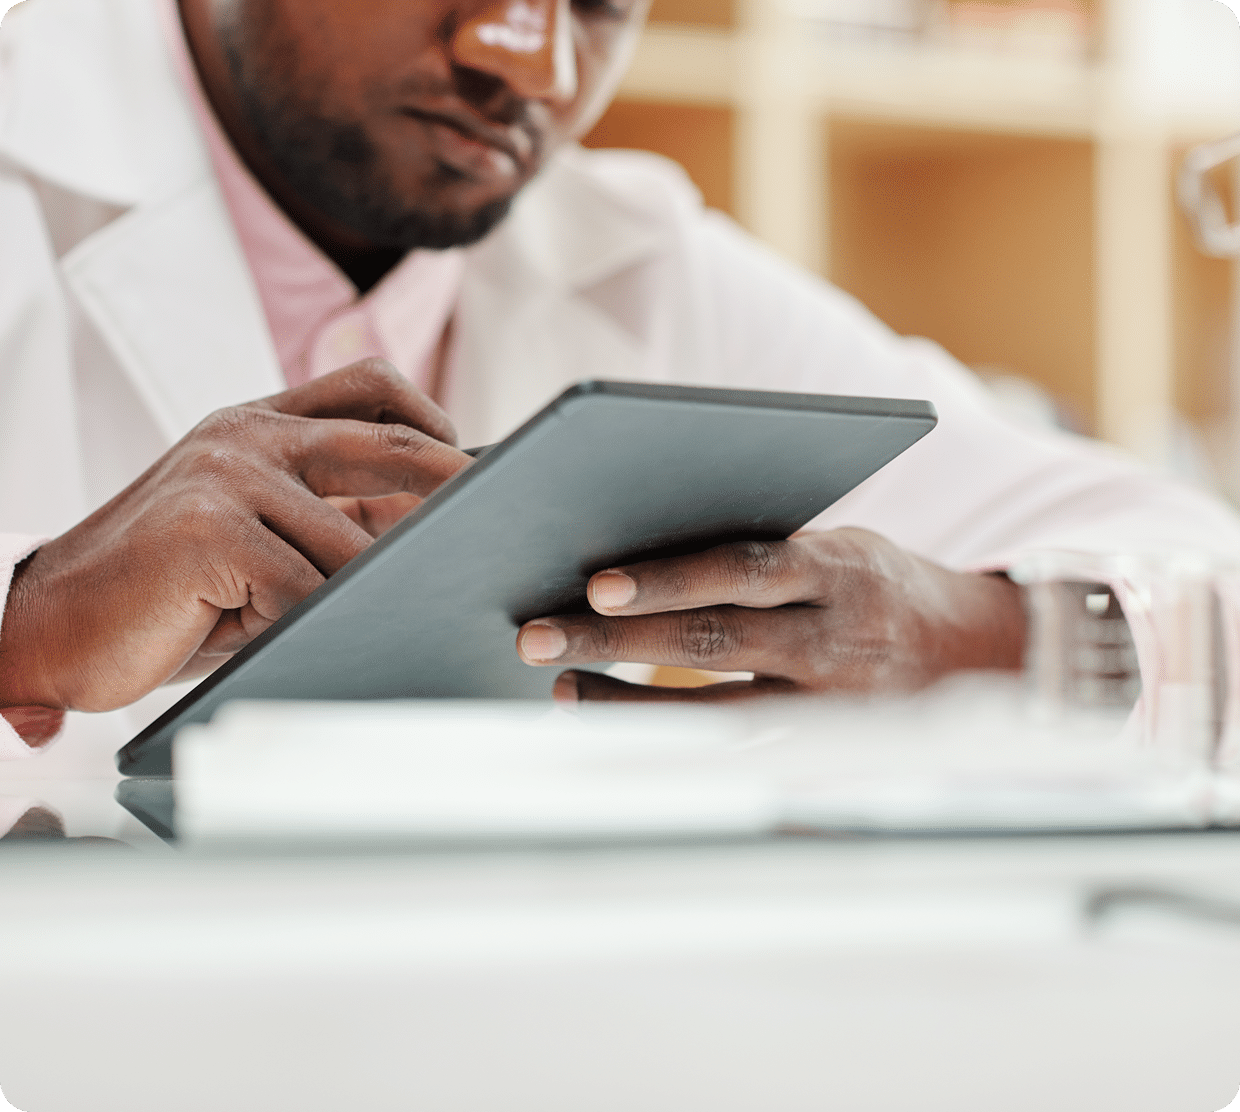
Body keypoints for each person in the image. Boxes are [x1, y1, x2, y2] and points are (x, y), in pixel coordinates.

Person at [0, 0, 1236, 773]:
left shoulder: (631, 256)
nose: (522, 58)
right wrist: (30, 624)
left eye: (597, 1)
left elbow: (1201, 566)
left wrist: (982, 637)